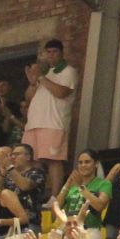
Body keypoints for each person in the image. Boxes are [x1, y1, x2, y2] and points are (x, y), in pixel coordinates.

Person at [21, 39, 78, 194]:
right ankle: (35, 193)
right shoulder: (44, 72)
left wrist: (41, 78)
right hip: (34, 123)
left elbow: (62, 93)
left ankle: (55, 195)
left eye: (55, 52)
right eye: (49, 52)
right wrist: (33, 82)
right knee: (32, 161)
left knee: (54, 160)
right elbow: (28, 98)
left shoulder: (68, 71)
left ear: (61, 53)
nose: (51, 55)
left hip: (54, 123)